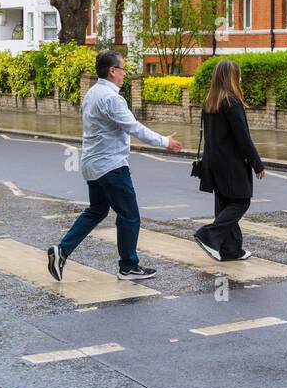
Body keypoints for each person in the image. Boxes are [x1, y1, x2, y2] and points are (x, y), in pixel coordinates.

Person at [48, 50, 182, 281]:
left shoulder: (92, 93)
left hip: (92, 163)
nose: (124, 74)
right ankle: (128, 266)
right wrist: (165, 142)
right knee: (130, 215)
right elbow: (134, 127)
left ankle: (62, 250)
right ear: (112, 71)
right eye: (122, 70)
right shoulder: (112, 98)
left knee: (97, 211)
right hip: (111, 165)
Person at [193, 59, 264, 261]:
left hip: (213, 161)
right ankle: (209, 235)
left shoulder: (210, 101)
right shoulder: (232, 102)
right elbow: (243, 137)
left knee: (225, 204)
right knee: (241, 201)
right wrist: (257, 163)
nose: (240, 78)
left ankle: (231, 250)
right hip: (231, 162)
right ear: (231, 77)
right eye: (238, 74)